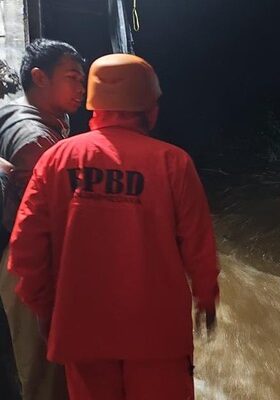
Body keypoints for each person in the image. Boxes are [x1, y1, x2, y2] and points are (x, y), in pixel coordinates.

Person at [8, 53, 219, 400]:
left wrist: (46, 310)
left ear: (95, 104)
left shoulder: (56, 159)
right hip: (158, 338)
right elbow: (199, 245)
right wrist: (206, 298)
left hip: (81, 333)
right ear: (149, 106)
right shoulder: (173, 162)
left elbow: (26, 249)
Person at [0, 38, 86, 400]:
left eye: (83, 79)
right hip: (22, 262)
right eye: (72, 77)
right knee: (44, 367)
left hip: (16, 253)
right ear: (39, 77)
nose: (81, 88)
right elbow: (51, 220)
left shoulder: (18, 111)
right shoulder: (36, 142)